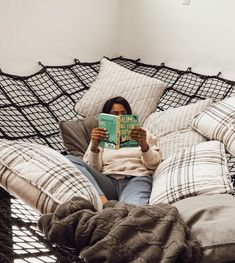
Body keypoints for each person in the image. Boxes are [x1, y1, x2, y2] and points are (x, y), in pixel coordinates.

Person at [76, 96, 161, 206]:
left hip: (135, 179)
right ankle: (102, 201)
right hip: (107, 182)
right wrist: (94, 147)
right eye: (114, 114)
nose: (119, 117)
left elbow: (153, 165)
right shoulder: (100, 136)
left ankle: (109, 209)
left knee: (133, 210)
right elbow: (94, 170)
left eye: (124, 113)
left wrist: (143, 144)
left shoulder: (143, 133)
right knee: (70, 160)